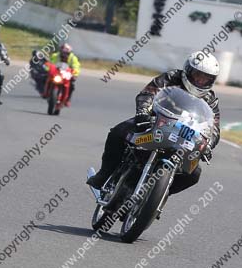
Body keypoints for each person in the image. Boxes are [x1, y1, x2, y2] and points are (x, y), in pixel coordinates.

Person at [87, 51, 221, 196]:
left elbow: (214, 128)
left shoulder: (210, 99)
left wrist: (208, 144)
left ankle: (154, 196)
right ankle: (104, 174)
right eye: (198, 75)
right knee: (117, 133)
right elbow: (148, 93)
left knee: (194, 174)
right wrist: (143, 112)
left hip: (183, 139)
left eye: (206, 79)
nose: (201, 81)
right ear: (188, 71)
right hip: (154, 123)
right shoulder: (171, 78)